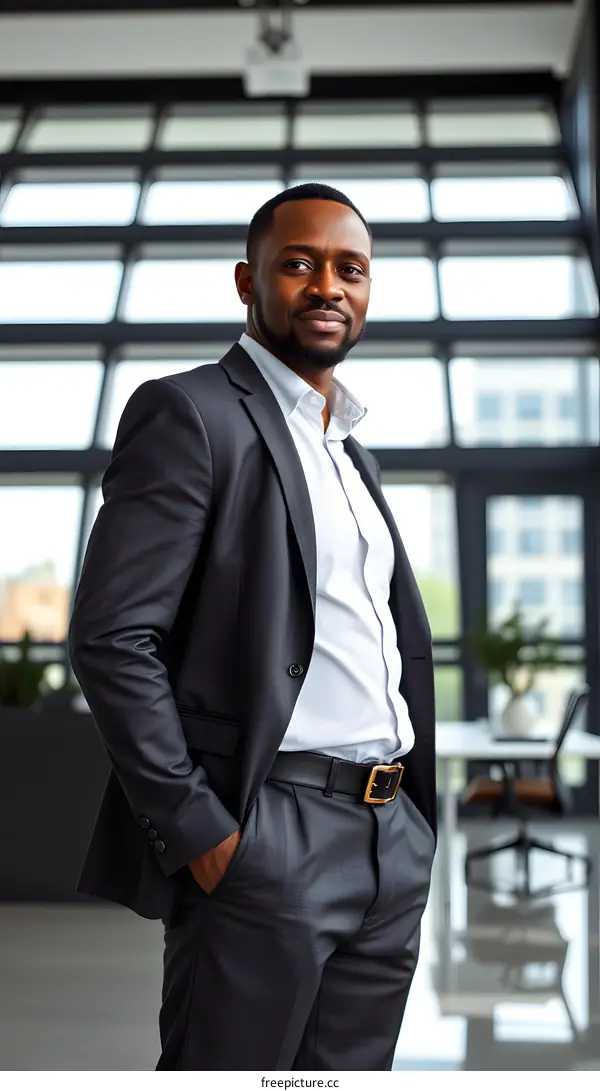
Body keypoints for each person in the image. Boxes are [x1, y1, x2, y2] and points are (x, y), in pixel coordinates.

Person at [68, 182, 437, 1072]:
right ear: (248, 281)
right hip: (269, 834)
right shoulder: (191, 413)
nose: (328, 285)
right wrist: (200, 827)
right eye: (299, 263)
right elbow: (112, 637)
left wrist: (413, 825)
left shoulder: (351, 451)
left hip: (389, 838)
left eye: (351, 269)